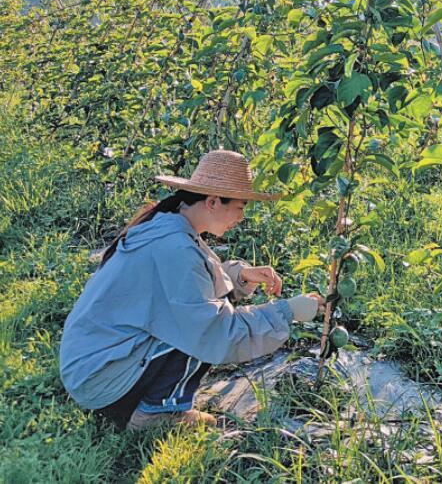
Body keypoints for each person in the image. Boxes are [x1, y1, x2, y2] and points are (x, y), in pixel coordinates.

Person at [60, 149, 325, 431]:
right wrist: (287, 311)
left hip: (92, 364)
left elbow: (191, 284)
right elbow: (216, 330)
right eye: (240, 206)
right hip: (101, 379)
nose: (242, 216)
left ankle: (150, 400)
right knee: (198, 331)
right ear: (212, 202)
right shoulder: (175, 247)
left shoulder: (169, 227)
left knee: (193, 320)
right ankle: (154, 412)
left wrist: (239, 276)